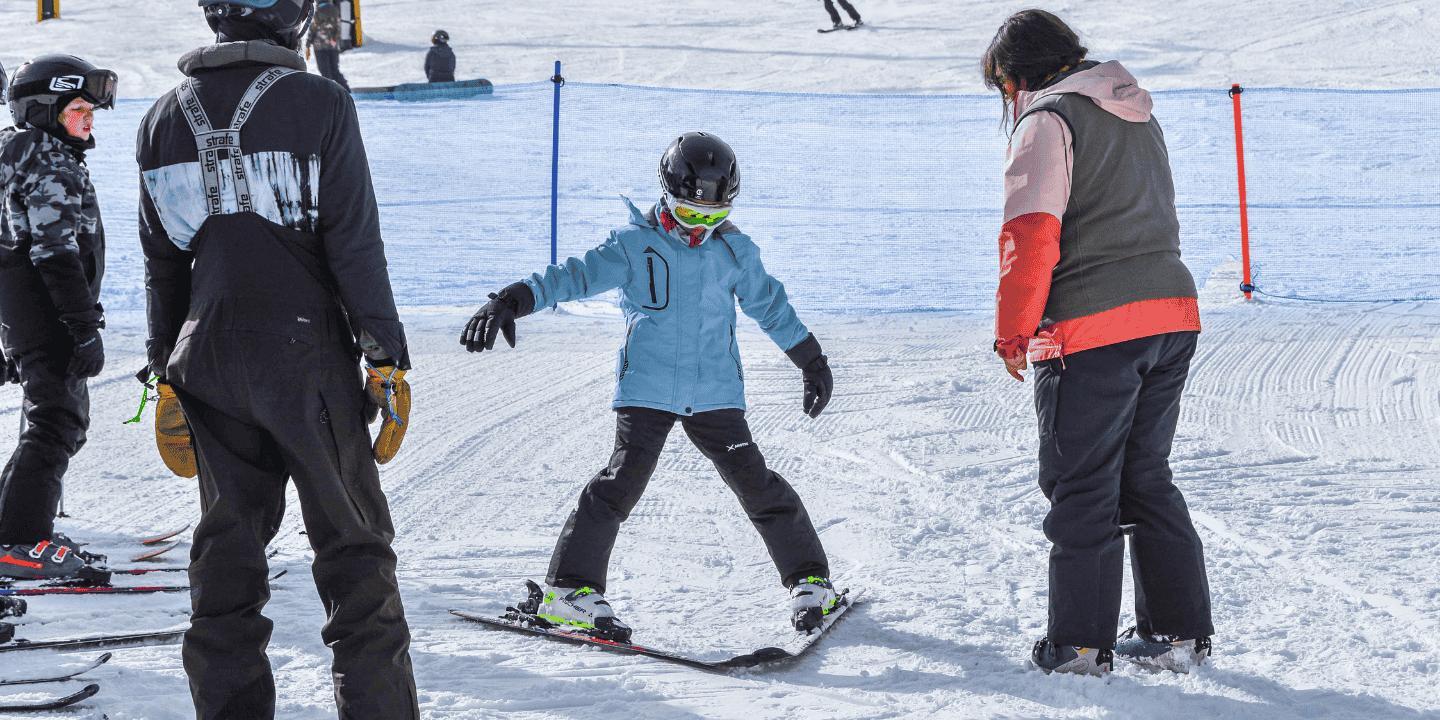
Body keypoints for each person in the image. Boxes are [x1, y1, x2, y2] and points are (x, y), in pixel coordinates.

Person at [135, 0, 418, 717]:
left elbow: (161, 264)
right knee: (354, 553)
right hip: (304, 355)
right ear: (293, 21)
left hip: (206, 360)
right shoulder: (319, 101)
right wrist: (383, 356)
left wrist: (165, 370)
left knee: (226, 561)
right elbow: (354, 241)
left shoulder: (162, 118)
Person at [460, 132, 839, 638]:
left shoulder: (734, 251)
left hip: (714, 393)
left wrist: (810, 359)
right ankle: (571, 589)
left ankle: (811, 581)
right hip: (648, 388)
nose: (701, 227)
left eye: (713, 216)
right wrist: (512, 299)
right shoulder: (634, 246)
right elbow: (573, 275)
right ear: (666, 196)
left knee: (756, 482)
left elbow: (769, 306)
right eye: (691, 214)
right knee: (619, 484)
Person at [981, 9, 1213, 677]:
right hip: (1171, 314)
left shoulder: (1047, 119)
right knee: (1145, 477)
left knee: (1082, 485)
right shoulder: (1136, 110)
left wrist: (1014, 332)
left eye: (1001, 85)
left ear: (1013, 76)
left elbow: (1029, 233)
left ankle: (1079, 645)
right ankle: (1177, 634)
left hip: (1094, 325)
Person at [0, 54, 116, 585]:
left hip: (23, 307)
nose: (88, 117)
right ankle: (20, 541)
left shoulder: (15, 152)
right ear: (45, 110)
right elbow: (53, 251)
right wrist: (81, 326)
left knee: (53, 419)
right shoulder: (48, 159)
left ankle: (19, 527)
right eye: (77, 108)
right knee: (56, 421)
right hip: (46, 311)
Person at [306, 0, 349, 91]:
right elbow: (338, 27)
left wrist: (307, 44)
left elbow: (313, 28)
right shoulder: (335, 10)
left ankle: (329, 92)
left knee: (325, 71)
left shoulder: (318, 11)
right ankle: (347, 90)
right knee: (335, 70)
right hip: (333, 45)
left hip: (320, 46)